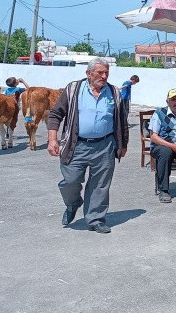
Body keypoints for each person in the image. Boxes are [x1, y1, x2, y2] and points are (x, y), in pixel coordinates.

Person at [47, 57, 129, 234]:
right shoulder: (73, 89)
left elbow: (122, 120)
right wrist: (52, 139)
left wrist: (123, 144)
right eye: (100, 72)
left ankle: (95, 219)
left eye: (107, 72)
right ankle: (73, 202)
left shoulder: (114, 92)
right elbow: (55, 114)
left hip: (105, 145)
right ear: (88, 73)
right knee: (70, 181)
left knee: (100, 185)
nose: (104, 76)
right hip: (76, 145)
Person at [149, 89, 176, 203]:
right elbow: (153, 137)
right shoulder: (159, 114)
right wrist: (172, 146)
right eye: (173, 100)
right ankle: (164, 190)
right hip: (161, 146)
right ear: (167, 101)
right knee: (165, 152)